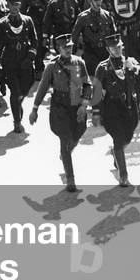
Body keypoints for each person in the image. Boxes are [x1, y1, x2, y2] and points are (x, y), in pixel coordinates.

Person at [29, 32, 92, 191]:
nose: (68, 50)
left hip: (76, 104)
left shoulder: (80, 63)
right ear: (58, 49)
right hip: (60, 107)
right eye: (65, 48)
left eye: (70, 47)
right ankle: (70, 179)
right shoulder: (52, 66)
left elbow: (87, 85)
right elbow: (42, 88)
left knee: (77, 134)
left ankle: (66, 153)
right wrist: (35, 109)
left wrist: (84, 105)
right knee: (65, 138)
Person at [93, 32, 140, 187]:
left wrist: (135, 69)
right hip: (112, 109)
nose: (117, 50)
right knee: (118, 140)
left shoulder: (130, 62)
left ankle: (116, 154)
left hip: (130, 107)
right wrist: (96, 112)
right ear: (108, 50)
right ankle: (123, 175)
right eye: (113, 48)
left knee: (127, 138)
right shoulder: (102, 68)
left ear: (122, 47)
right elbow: (96, 91)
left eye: (119, 47)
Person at [0, 0, 38, 133]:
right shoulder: (2, 23)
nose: (15, 7)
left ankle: (18, 103)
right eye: (12, 5)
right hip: (10, 62)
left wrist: (31, 57)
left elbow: (34, 41)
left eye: (17, 4)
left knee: (24, 91)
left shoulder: (27, 20)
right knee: (15, 93)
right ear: (7, 5)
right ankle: (17, 121)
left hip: (25, 62)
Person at [72, 0, 117, 77]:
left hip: (106, 53)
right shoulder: (83, 18)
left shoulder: (107, 15)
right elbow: (74, 38)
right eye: (96, 0)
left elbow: (114, 36)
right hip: (91, 54)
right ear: (89, 1)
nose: (99, 2)